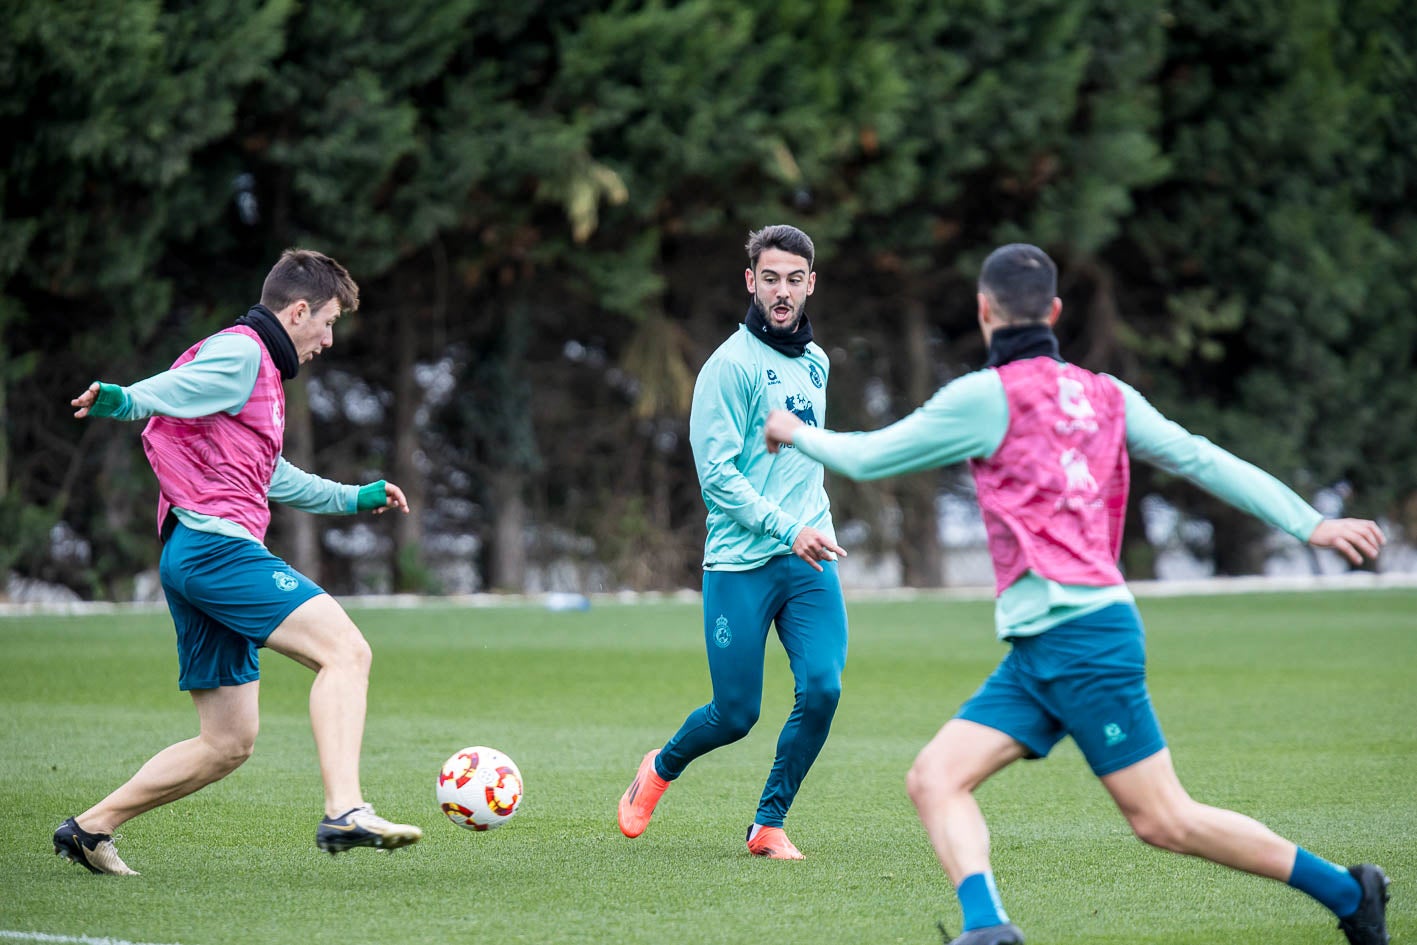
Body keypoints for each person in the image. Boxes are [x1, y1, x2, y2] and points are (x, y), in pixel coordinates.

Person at [764, 244, 1390, 944]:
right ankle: (988, 930)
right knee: (935, 778)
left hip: (1083, 639)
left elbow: (869, 458)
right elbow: (1199, 455)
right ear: (1054, 312)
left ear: (982, 310)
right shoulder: (1107, 394)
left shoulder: (982, 396)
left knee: (1165, 820)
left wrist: (792, 430)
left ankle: (1347, 890)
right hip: (1044, 646)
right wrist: (1310, 521)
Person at [57, 248, 423, 875]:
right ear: (299, 310)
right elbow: (174, 390)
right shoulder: (246, 350)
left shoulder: (259, 378)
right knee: (347, 653)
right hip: (216, 549)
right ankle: (345, 809)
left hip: (189, 555)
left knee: (227, 742)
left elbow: (268, 472)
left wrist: (352, 497)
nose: (329, 339)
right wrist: (122, 399)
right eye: (328, 322)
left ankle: (89, 830)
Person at [617, 224, 850, 860]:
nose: (781, 291)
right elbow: (717, 479)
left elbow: (805, 456)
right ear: (750, 281)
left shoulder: (816, 361)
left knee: (824, 688)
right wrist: (786, 528)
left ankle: (768, 824)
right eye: (769, 278)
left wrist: (811, 525)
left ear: (810, 284)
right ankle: (660, 766)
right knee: (735, 714)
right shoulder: (728, 367)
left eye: (793, 279)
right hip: (741, 562)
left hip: (809, 554)